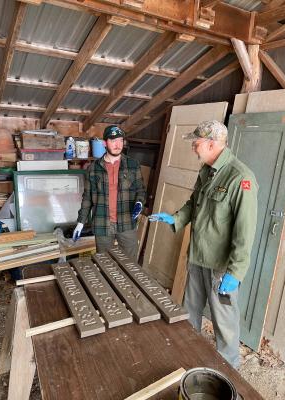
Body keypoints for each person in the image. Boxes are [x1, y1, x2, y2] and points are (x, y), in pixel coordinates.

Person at [149, 120, 258, 369]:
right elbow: (193, 204)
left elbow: (245, 232)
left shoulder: (240, 178)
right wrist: (175, 218)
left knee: (225, 326)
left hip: (221, 268)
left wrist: (235, 272)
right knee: (189, 313)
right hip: (198, 258)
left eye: (196, 143)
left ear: (211, 144)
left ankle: (228, 375)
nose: (193, 148)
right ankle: (190, 360)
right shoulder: (207, 171)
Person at [73, 125, 145, 259]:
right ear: (105, 143)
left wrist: (139, 203)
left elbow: (141, 190)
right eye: (113, 141)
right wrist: (81, 222)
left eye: (120, 140)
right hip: (102, 224)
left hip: (127, 221)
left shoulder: (133, 165)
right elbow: (87, 197)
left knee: (131, 264)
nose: (118, 145)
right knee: (105, 263)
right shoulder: (93, 168)